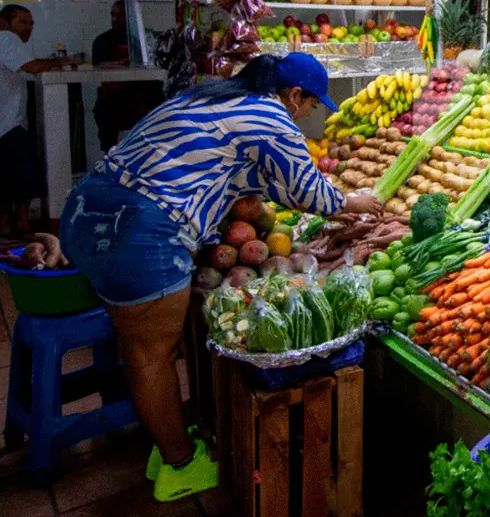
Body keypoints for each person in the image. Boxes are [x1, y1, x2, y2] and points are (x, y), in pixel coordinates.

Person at [59, 53, 382, 502]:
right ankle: (179, 466)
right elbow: (307, 191)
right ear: (294, 95)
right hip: (136, 230)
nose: (310, 113)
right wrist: (352, 202)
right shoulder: (272, 116)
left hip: (87, 210)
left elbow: (252, 178)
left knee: (140, 347)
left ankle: (164, 439)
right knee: (150, 352)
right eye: (311, 105)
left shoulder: (216, 96)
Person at [0, 4, 69, 235]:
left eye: (31, 23)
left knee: (8, 176)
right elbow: (32, 67)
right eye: (22, 22)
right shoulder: (7, 39)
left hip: (6, 122)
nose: (28, 28)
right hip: (9, 123)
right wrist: (63, 61)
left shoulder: (7, 45)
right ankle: (21, 225)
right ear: (5, 23)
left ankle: (10, 226)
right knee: (26, 174)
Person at [91, 0, 162, 151]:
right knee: (110, 146)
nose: (116, 19)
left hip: (139, 100)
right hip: (112, 100)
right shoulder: (102, 41)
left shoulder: (143, 40)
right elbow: (99, 65)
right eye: (113, 15)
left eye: (121, 15)